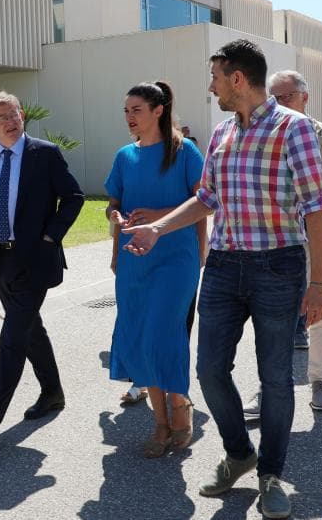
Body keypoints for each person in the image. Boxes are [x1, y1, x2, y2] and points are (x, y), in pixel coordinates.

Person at [122, 40, 322, 519]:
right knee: (210, 371)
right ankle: (240, 453)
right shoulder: (220, 133)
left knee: (275, 378)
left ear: (237, 79)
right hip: (223, 266)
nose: (210, 85)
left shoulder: (292, 129)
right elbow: (208, 199)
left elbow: (318, 206)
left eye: (215, 77)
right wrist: (158, 226)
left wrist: (318, 283)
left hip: (279, 266)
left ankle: (271, 473)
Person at [0, 91, 84, 445]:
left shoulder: (45, 154)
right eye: (1, 117)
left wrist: (51, 237)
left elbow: (73, 197)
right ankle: (52, 392)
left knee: (12, 335)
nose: (9, 121)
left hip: (36, 260)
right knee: (29, 329)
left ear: (22, 115)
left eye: (13, 114)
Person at [106, 81, 206, 457]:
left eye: (137, 110)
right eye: (126, 111)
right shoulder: (123, 156)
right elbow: (113, 203)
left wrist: (162, 219)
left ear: (158, 110)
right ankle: (161, 424)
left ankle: (179, 410)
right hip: (134, 258)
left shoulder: (185, 151)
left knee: (164, 336)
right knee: (141, 338)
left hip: (175, 259)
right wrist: (114, 215)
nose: (130, 118)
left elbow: (204, 200)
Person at [257, 70, 322, 413]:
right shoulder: (264, 136)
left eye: (287, 97)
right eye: (275, 98)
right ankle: (269, 389)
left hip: (318, 242)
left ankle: (320, 381)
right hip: (275, 242)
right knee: (271, 317)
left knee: (321, 313)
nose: (280, 104)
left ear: (304, 97)